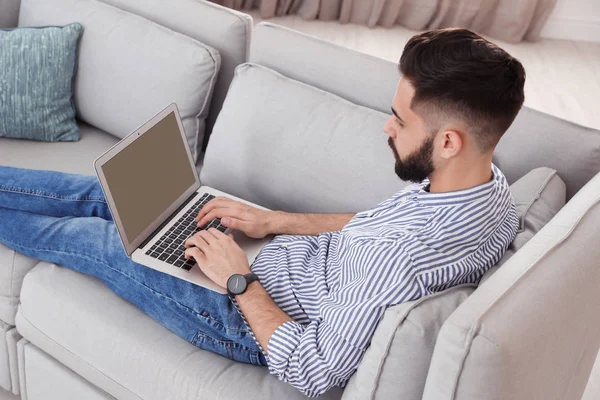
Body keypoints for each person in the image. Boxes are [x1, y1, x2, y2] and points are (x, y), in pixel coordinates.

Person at [0, 27, 525, 397]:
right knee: (108, 196)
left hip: (236, 315)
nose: (387, 128)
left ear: (450, 141)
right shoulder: (492, 193)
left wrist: (237, 280)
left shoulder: (402, 260)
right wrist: (274, 221)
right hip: (264, 261)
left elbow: (312, 370)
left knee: (93, 237)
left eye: (400, 120)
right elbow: (371, 229)